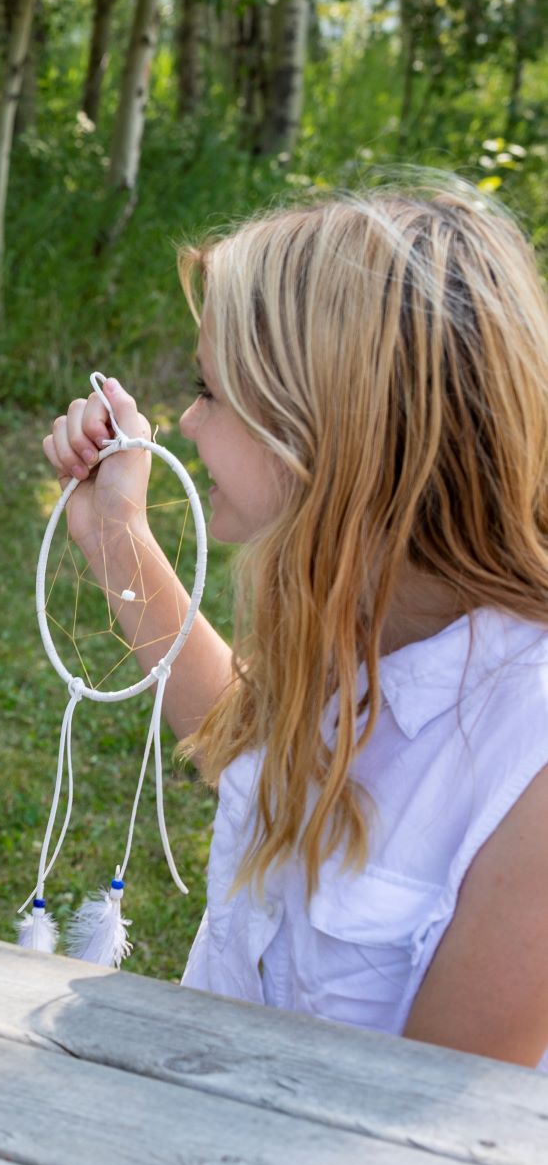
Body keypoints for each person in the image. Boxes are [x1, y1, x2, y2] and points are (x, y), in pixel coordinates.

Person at [40, 179, 548, 1066]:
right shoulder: (361, 612)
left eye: (212, 391)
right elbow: (239, 738)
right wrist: (114, 534)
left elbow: (433, 1137)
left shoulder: (527, 759)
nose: (187, 423)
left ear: (336, 430)